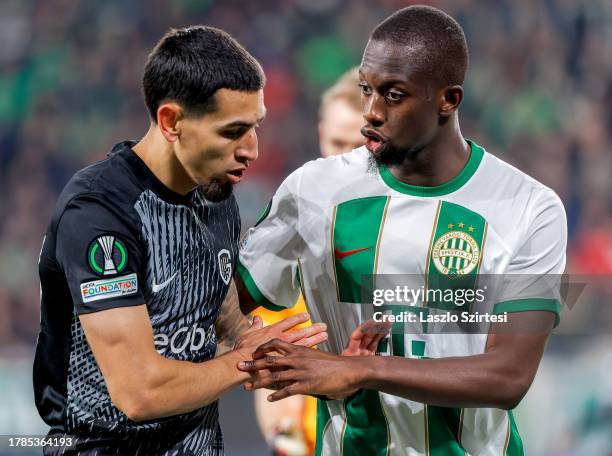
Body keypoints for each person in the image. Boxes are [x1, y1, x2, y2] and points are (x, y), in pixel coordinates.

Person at [236, 5, 566, 455]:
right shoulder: (312, 190)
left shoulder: (530, 207)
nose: (370, 112)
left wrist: (362, 371)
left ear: (448, 99)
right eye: (366, 91)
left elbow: (508, 376)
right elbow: (226, 309)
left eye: (393, 95)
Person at [33, 25, 327, 455]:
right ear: (171, 121)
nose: (252, 150)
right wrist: (244, 363)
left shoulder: (215, 191)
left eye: (256, 126)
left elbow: (214, 313)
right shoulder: (100, 213)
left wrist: (274, 347)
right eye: (232, 131)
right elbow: (139, 393)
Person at [252, 66, 364, 456]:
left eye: (359, 146)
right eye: (337, 142)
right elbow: (274, 359)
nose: (345, 160)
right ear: (320, 133)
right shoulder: (295, 232)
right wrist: (287, 443)